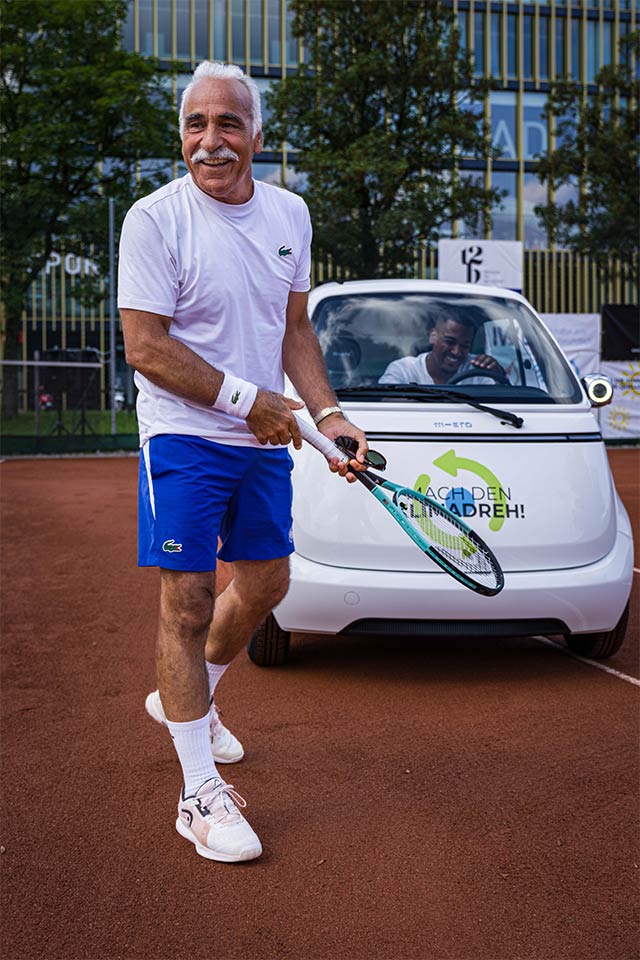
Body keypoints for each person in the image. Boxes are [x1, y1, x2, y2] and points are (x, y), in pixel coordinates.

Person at [118, 60, 367, 864]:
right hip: (183, 436)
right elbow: (146, 348)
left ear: (257, 135)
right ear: (181, 135)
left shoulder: (289, 213)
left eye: (229, 124)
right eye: (197, 124)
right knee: (187, 605)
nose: (211, 140)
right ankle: (198, 794)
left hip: (262, 436)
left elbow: (293, 329)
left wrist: (327, 414)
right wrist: (249, 402)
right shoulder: (154, 221)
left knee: (265, 584)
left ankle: (193, 700)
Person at [379, 311, 506, 386]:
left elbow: (500, 405)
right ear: (433, 336)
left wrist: (497, 376)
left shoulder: (478, 370)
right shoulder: (404, 369)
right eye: (450, 342)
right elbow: (385, 401)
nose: (457, 351)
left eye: (465, 345)